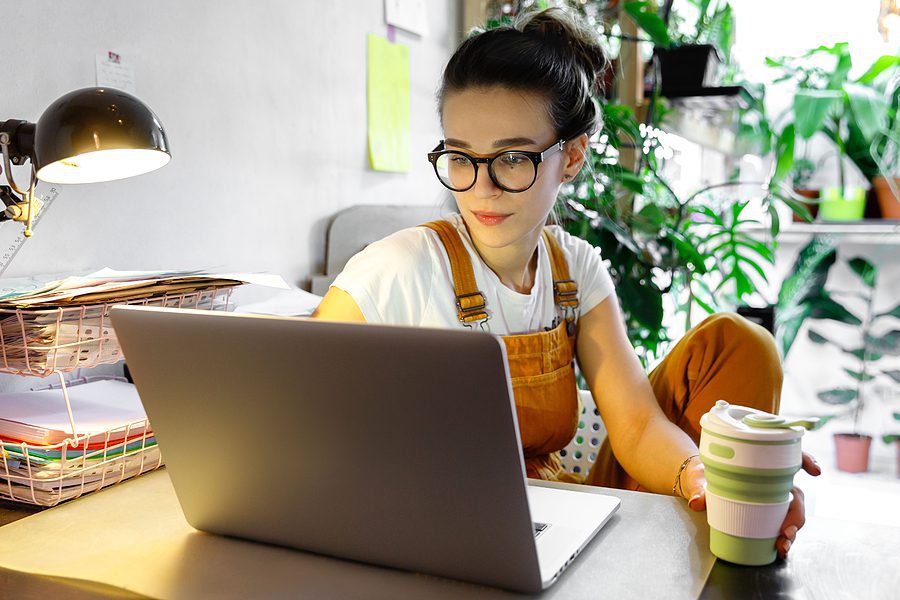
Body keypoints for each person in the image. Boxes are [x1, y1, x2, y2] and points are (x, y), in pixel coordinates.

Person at [313, 7, 819, 559]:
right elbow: (299, 408)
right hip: (436, 529)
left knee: (739, 344)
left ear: (571, 156)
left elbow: (638, 425)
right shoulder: (397, 268)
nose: (481, 189)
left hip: (555, 517)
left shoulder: (575, 270)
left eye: (511, 158)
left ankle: (727, 524)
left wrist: (705, 474)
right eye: (461, 157)